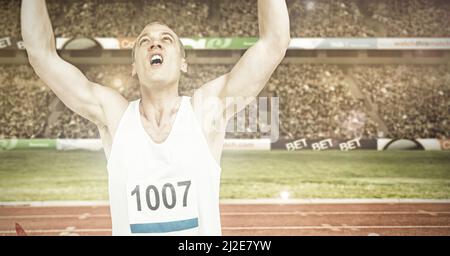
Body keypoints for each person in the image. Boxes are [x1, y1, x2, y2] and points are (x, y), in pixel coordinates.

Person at [21, 0, 290, 235]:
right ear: (134, 67)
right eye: (144, 41)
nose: (155, 43)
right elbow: (41, 55)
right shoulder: (115, 115)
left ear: (183, 63)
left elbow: (274, 42)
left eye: (166, 39)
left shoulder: (205, 110)